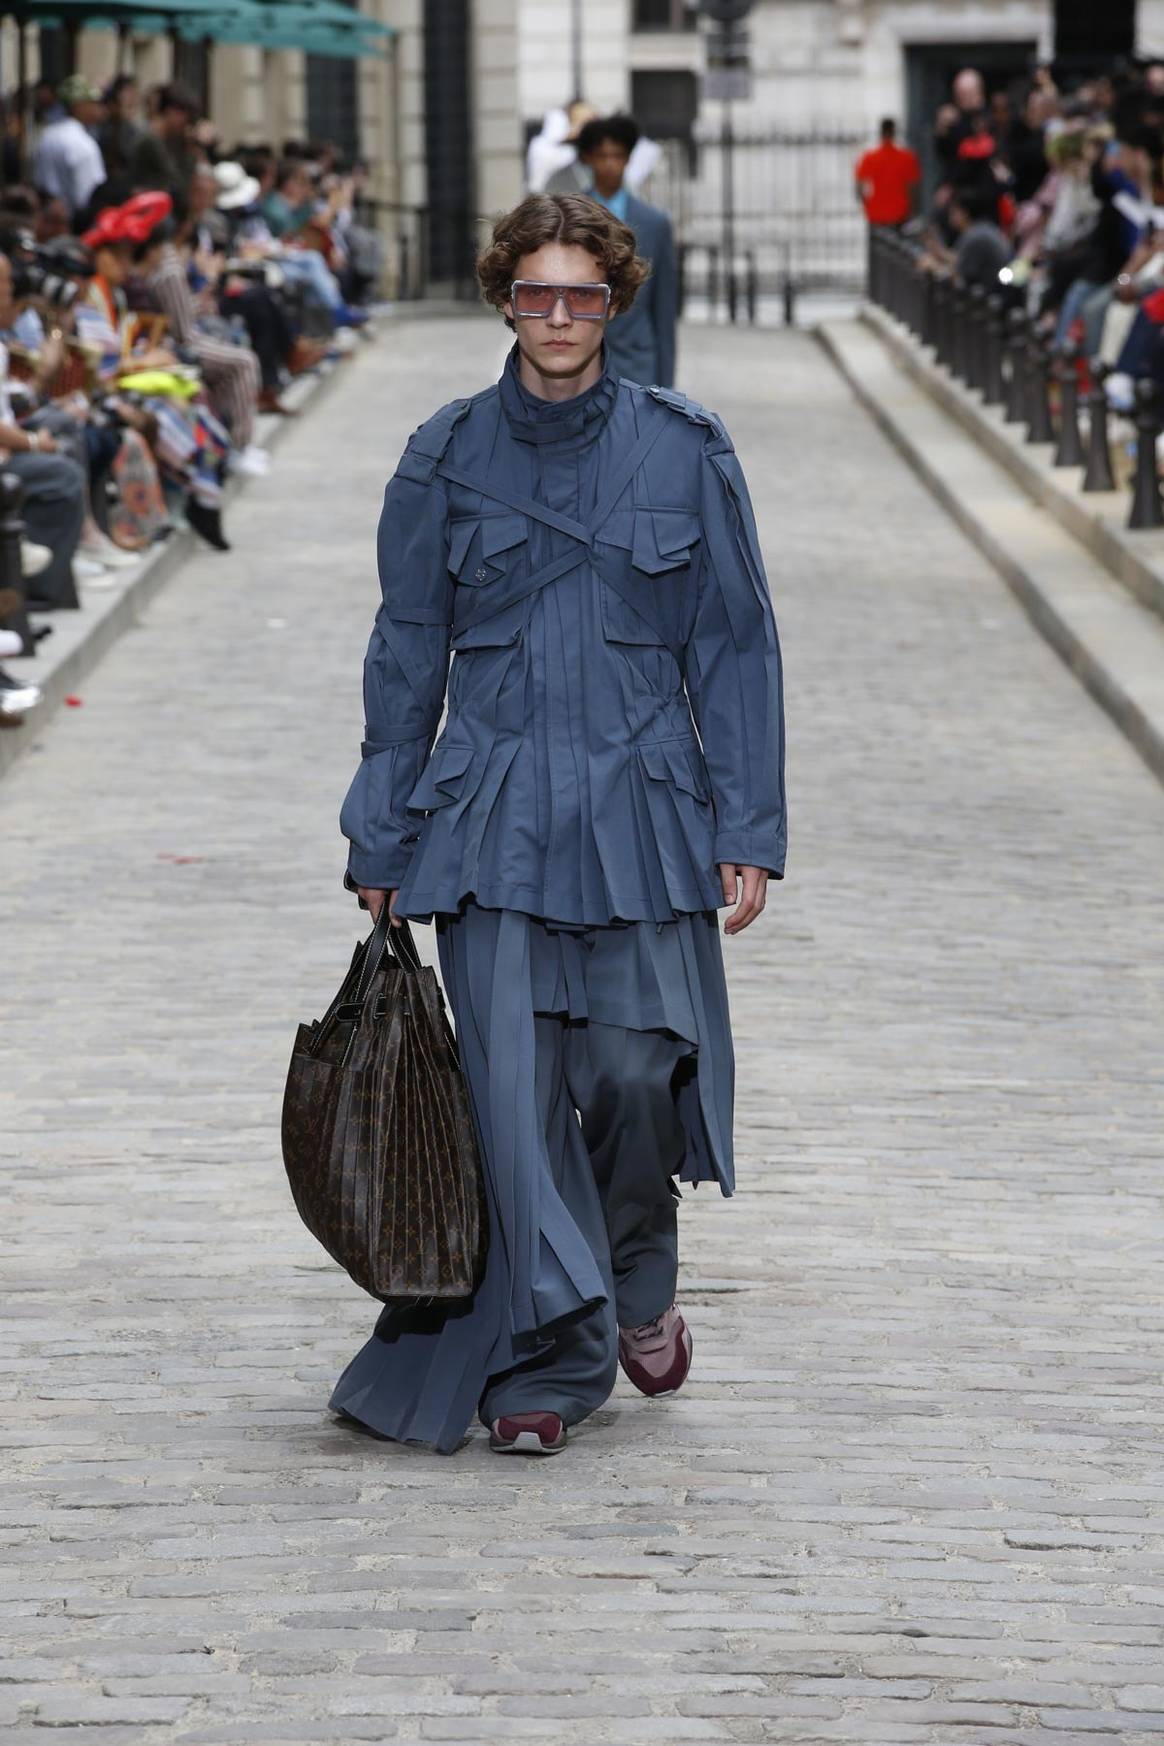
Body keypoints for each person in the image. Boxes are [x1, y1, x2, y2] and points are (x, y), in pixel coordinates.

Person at [328, 191, 785, 1458]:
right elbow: (405, 648)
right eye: (538, 293)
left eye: (585, 294)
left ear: (617, 304)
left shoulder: (686, 450)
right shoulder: (444, 453)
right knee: (515, 1101)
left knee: (641, 1077)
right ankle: (555, 1359)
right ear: (506, 300)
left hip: (642, 807)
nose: (561, 316)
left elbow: (736, 646)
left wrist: (747, 822)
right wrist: (381, 831)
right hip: (490, 814)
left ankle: (637, 1277)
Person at [575, 114, 677, 387]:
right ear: (588, 159)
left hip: (638, 363)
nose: (609, 164)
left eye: (617, 155)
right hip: (577, 365)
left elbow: (665, 312)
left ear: (629, 158)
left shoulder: (656, 224)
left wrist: (666, 389)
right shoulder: (567, 220)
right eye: (601, 156)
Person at [31, 75, 106, 221]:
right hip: (74, 224)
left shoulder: (47, 135)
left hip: (47, 220)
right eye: (93, 103)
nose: (98, 109)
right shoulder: (83, 144)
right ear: (79, 105)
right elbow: (90, 196)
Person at [128, 84, 198, 200]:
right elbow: (177, 183)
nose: (184, 124)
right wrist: (191, 152)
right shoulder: (150, 141)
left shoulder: (167, 139)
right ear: (171, 112)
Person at [854, 118, 921, 229]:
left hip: (875, 213)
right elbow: (913, 188)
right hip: (900, 213)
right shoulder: (907, 158)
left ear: (881, 132)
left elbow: (859, 187)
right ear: (894, 132)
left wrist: (867, 204)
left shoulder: (869, 158)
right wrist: (913, 211)